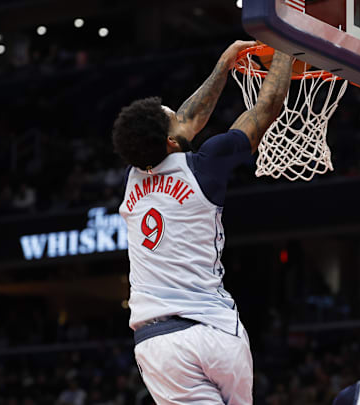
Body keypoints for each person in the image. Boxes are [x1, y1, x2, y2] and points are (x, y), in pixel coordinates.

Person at [112, 40, 293, 405]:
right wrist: (290, 44)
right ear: (170, 140)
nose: (180, 115)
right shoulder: (204, 166)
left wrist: (224, 65)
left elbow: (187, 120)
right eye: (173, 117)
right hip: (217, 333)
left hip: (159, 341)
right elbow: (267, 106)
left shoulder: (133, 175)